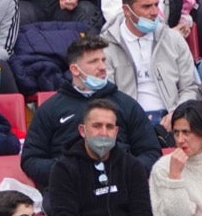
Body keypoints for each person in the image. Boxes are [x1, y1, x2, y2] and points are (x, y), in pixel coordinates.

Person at [20, 35, 161, 189]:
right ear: (75, 69)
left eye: (103, 60)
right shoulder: (50, 109)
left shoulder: (126, 104)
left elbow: (151, 152)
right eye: (94, 61)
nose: (102, 67)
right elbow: (31, 159)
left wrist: (124, 170)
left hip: (121, 187)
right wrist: (67, 172)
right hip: (69, 189)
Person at [49, 101, 153, 216]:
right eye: (97, 126)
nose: (104, 132)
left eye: (109, 127)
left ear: (116, 131)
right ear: (83, 130)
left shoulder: (132, 165)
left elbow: (142, 213)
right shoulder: (63, 169)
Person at [103, 0, 198, 136]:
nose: (154, 12)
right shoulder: (106, 46)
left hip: (172, 120)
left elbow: (191, 87)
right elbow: (106, 95)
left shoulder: (173, 39)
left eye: (156, 4)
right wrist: (128, 120)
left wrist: (177, 113)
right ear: (126, 10)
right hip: (127, 124)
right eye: (146, 7)